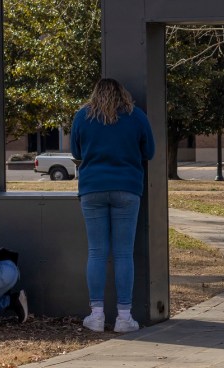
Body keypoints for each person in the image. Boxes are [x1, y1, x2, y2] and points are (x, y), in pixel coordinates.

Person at [71, 78, 155, 333]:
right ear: (123, 94)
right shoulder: (136, 116)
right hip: (127, 189)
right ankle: (124, 317)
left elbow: (76, 152)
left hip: (92, 189)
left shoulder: (82, 116)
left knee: (96, 252)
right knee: (123, 253)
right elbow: (149, 152)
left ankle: (96, 316)